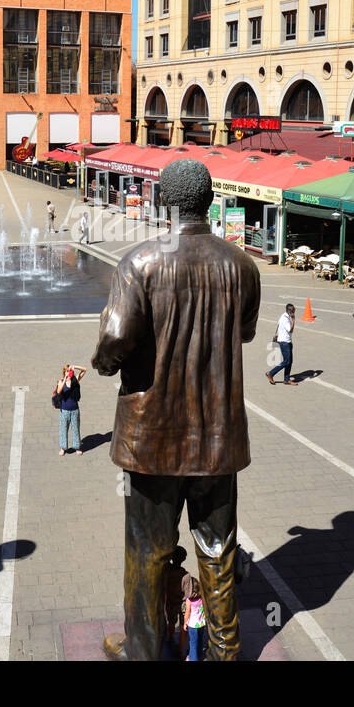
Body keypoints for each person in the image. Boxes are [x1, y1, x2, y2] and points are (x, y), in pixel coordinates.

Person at [94, 158, 260, 662]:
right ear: (209, 200)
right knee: (217, 550)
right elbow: (246, 332)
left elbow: (116, 337)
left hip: (153, 438)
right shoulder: (241, 264)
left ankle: (142, 649)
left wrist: (103, 362)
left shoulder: (140, 262)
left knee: (147, 551)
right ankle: (225, 651)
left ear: (165, 200)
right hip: (218, 437)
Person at [162, 547, 190, 661]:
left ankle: (171, 638)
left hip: (170, 601)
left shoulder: (167, 570)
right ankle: (180, 649)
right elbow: (188, 594)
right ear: (184, 559)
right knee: (184, 627)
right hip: (182, 603)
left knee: (171, 621)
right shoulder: (185, 574)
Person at [53, 364, 87, 455]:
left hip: (75, 409)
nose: (69, 372)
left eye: (70, 370)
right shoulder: (60, 381)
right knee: (63, 429)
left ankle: (77, 447)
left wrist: (75, 366)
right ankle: (63, 448)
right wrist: (65, 379)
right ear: (64, 372)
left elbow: (85, 370)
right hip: (64, 410)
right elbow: (59, 391)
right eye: (67, 371)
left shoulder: (75, 380)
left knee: (76, 429)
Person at [266, 303, 297, 385]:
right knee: (287, 361)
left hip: (286, 341)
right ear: (290, 311)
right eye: (294, 310)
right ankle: (271, 373)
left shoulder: (284, 315)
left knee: (289, 362)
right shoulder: (285, 319)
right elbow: (290, 330)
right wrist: (293, 320)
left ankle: (286, 379)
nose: (294, 312)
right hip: (284, 343)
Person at [181, 573, 208, 661]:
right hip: (202, 623)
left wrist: (185, 623)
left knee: (193, 643)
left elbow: (187, 613)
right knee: (200, 641)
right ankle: (199, 655)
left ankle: (192, 658)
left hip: (193, 626)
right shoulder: (202, 597)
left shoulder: (189, 601)